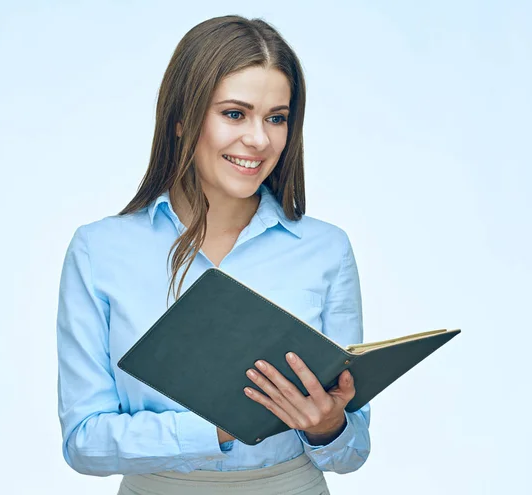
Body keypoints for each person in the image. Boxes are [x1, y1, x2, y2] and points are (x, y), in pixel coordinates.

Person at [56, 14, 371, 495]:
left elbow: (352, 452)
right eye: (234, 113)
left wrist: (327, 426)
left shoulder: (325, 249)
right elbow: (84, 441)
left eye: (276, 118)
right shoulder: (100, 251)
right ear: (183, 118)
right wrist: (222, 427)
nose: (259, 140)